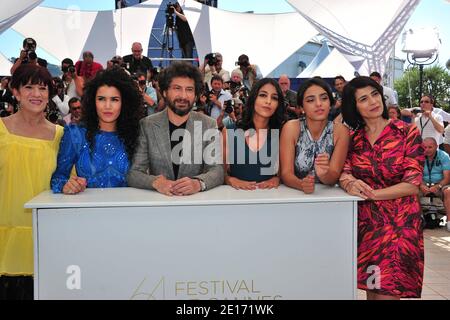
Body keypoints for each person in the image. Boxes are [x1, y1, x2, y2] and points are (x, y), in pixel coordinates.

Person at [339, 76, 425, 300]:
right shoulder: (353, 139)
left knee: (388, 294)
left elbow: (412, 184)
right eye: (364, 99)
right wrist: (350, 183)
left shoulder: (407, 132)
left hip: (400, 224)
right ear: (354, 107)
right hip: (368, 226)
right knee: (372, 294)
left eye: (375, 94)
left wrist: (372, 194)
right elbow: (343, 171)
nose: (373, 102)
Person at [0, 64, 64, 299]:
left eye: (42, 88)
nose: (36, 94)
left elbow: (68, 182)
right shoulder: (1, 130)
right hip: (4, 242)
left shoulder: (60, 135)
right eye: (28, 87)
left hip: (46, 240)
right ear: (15, 92)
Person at [127, 61, 223, 196]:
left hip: (196, 205)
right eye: (177, 88)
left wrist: (198, 183)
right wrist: (155, 182)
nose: (183, 96)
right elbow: (134, 173)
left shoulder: (208, 124)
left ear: (196, 95)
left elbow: (217, 171)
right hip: (160, 205)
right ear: (165, 92)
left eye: (189, 90)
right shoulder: (147, 125)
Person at [51, 68, 143, 194]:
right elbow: (57, 178)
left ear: (124, 103)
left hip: (128, 211)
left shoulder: (137, 135)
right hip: (87, 211)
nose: (107, 106)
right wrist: (67, 185)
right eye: (101, 99)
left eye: (114, 99)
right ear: (92, 101)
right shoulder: (76, 134)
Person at [280, 78, 349, 194]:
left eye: (324, 98)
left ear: (330, 103)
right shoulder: (291, 128)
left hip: (330, 197)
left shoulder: (341, 131)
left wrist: (325, 174)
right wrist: (302, 185)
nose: (319, 104)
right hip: (294, 195)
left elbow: (333, 177)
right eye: (310, 100)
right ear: (301, 107)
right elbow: (286, 173)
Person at [223, 78, 284, 190]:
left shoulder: (282, 133)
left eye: (274, 98)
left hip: (270, 200)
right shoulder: (229, 131)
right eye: (263, 95)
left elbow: (284, 172)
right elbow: (219, 172)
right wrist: (230, 180)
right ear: (253, 98)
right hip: (235, 198)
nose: (268, 101)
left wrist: (278, 178)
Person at [420, 137, 450, 231]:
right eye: (425, 147)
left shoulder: (444, 156)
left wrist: (438, 186)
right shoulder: (418, 156)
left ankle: (449, 221)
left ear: (437, 146)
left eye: (430, 147)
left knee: (448, 192)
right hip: (423, 184)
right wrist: (421, 185)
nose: (427, 150)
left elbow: (447, 178)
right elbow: (414, 174)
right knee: (411, 191)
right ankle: (420, 218)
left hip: (440, 184)